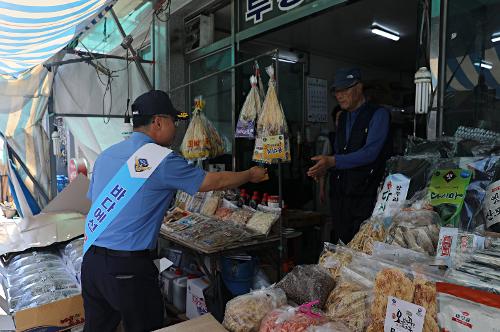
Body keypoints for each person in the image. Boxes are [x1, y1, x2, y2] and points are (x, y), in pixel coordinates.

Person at [82, 90, 268, 332]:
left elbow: (95, 202)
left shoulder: (106, 155)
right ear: (158, 122)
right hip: (127, 271)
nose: (177, 127)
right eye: (174, 121)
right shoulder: (159, 158)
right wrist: (249, 175)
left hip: (92, 264)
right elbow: (214, 182)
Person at [308, 68, 392, 244]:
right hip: (341, 195)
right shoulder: (343, 117)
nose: (339, 95)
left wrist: (332, 161)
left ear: (359, 87)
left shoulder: (378, 114)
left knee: (361, 246)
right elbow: (340, 152)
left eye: (345, 90)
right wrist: (324, 168)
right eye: (337, 91)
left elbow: (370, 153)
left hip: (365, 195)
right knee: (341, 244)